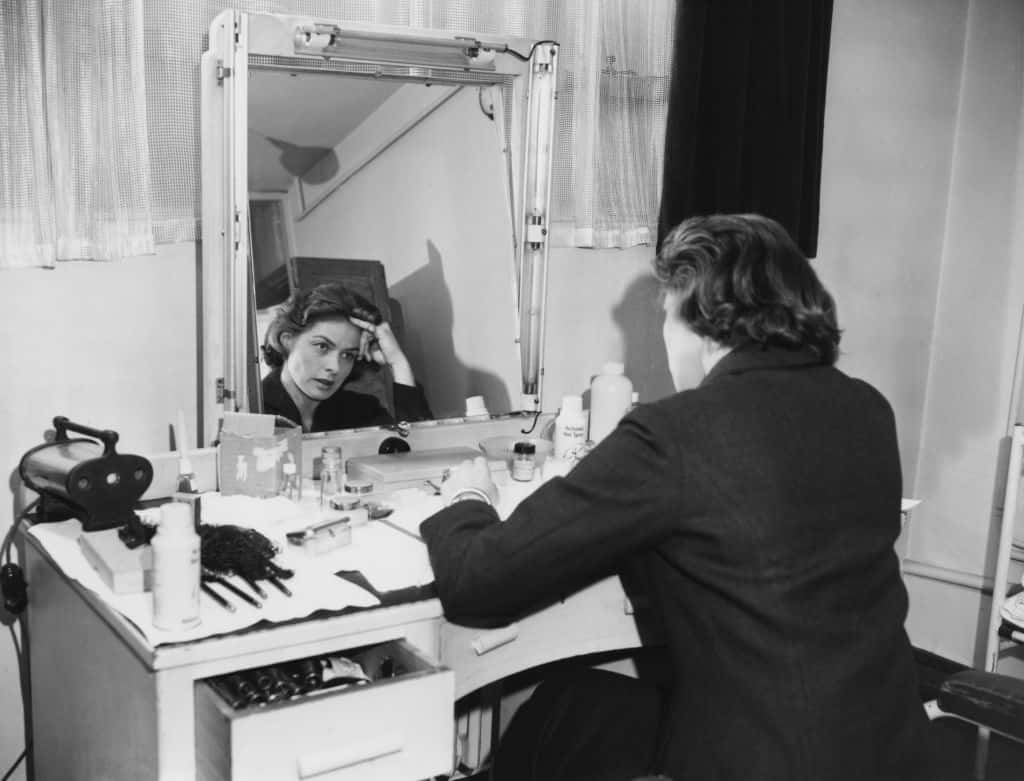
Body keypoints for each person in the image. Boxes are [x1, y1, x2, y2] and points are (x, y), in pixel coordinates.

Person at [419, 214, 933, 781]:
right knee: (570, 702)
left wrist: (467, 498)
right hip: (894, 749)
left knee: (556, 724)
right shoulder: (866, 408)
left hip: (762, 761)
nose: (664, 339)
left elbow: (477, 583)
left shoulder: (675, 432)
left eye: (665, 316)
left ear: (702, 317)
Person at [261, 283, 431, 432]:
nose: (335, 367)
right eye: (322, 346)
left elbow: (419, 453)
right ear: (287, 341)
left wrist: (397, 362)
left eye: (348, 355)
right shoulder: (251, 411)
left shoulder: (362, 411)